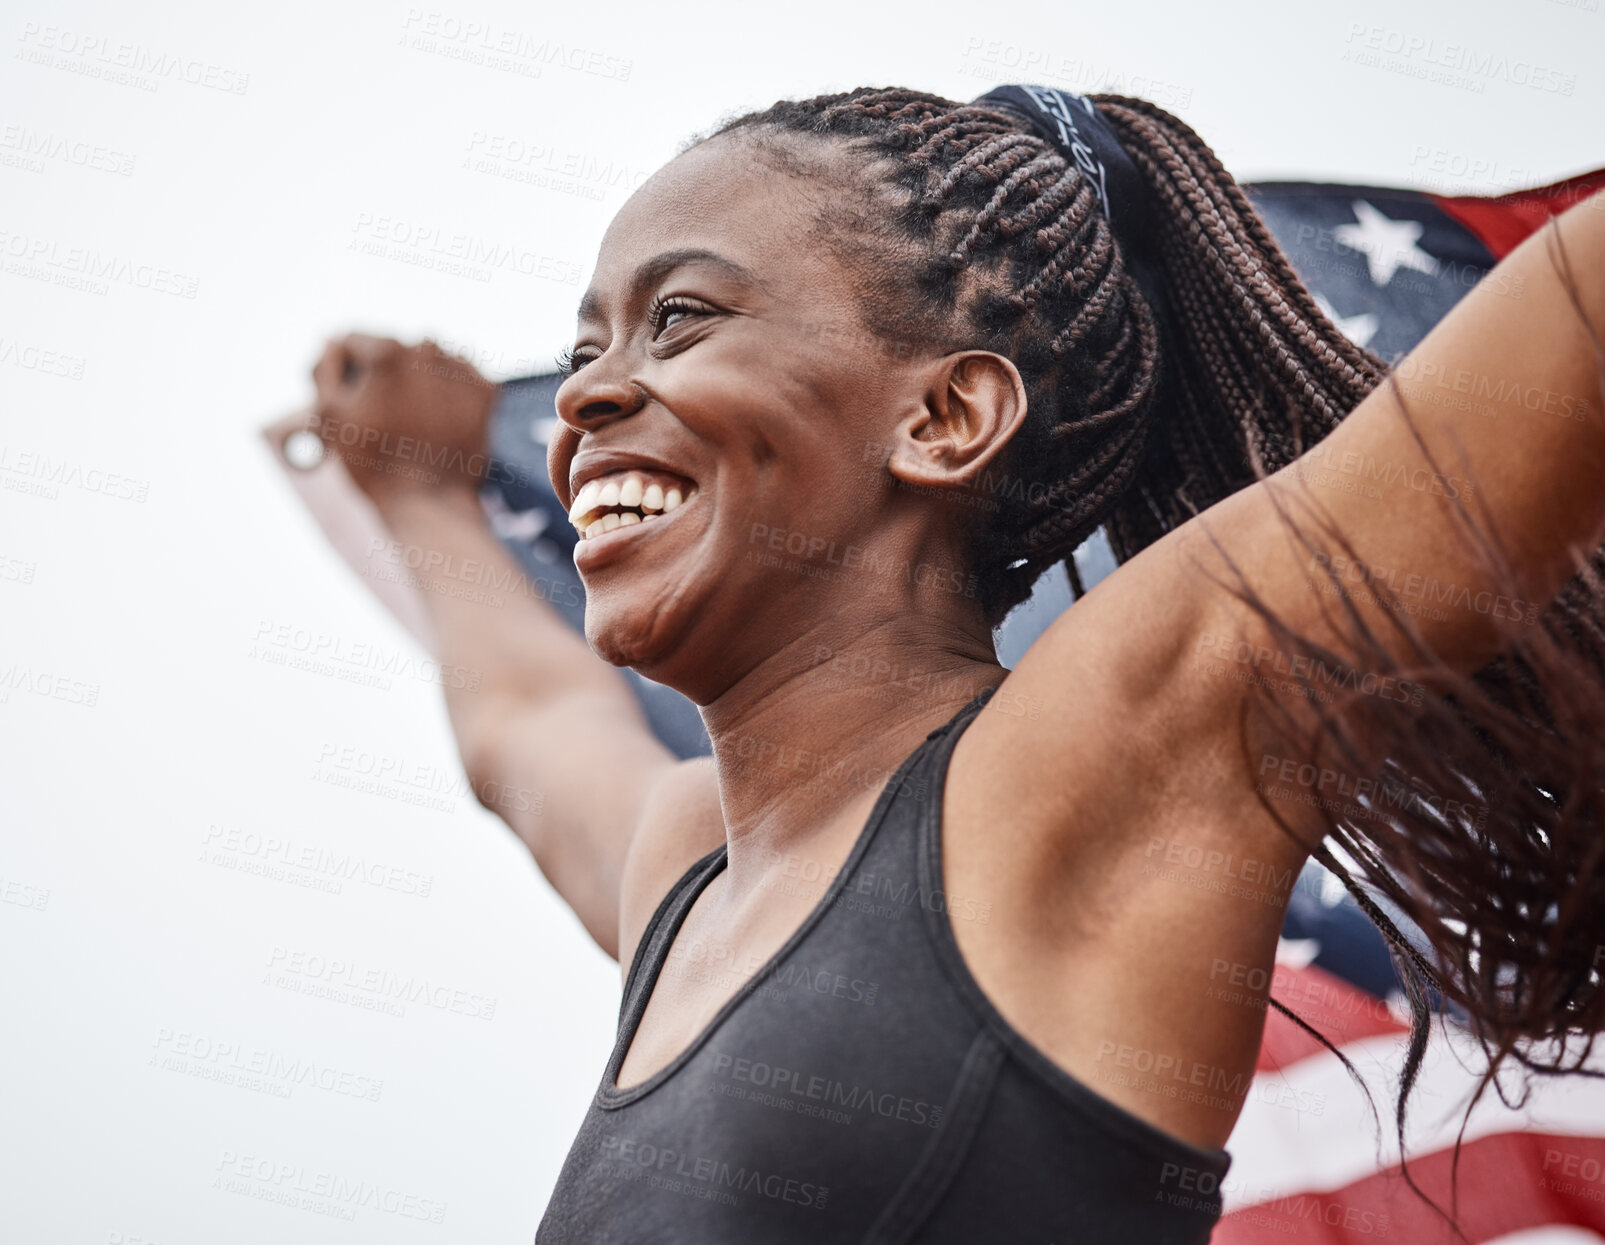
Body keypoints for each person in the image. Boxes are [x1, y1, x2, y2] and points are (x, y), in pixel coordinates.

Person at [307, 86, 1605, 1242]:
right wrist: (417, 494)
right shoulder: (682, 879)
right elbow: (524, 719)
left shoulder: (1085, 760)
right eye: (588, 344)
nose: (590, 393)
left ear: (941, 417)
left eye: (679, 316)